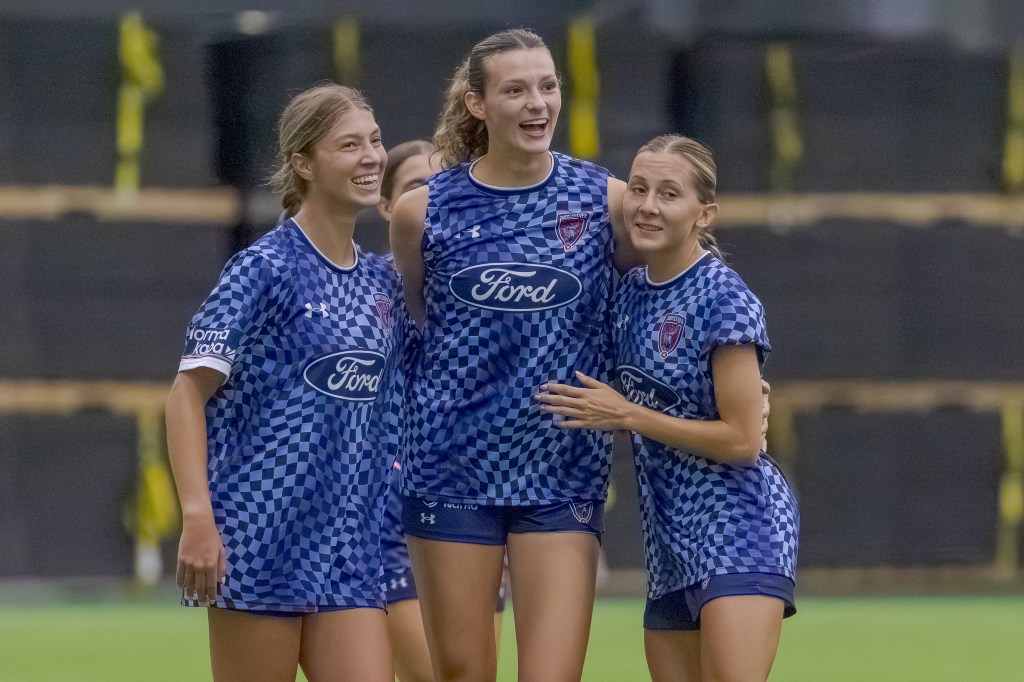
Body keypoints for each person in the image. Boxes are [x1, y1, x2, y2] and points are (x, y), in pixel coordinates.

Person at [389, 28, 639, 682]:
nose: (538, 103)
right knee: (462, 673)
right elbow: (411, 327)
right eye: (516, 89)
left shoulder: (606, 201)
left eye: (548, 86)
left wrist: (730, 382)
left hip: (562, 469)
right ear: (478, 104)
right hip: (450, 469)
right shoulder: (421, 212)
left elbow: (663, 301)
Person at [537, 135, 798, 682]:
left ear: (705, 214)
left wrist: (629, 415)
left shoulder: (724, 298)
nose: (648, 206)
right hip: (668, 540)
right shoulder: (627, 293)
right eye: (638, 189)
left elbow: (743, 442)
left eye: (669, 194)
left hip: (739, 526)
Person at [165, 82, 398, 682]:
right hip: (259, 542)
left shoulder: (381, 283)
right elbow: (186, 394)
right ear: (304, 163)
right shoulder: (262, 270)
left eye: (375, 140)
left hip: (350, 552)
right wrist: (197, 515)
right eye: (349, 145)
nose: (371, 156)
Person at [377, 140, 508, 682]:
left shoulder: (489, 286)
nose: (432, 198)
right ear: (388, 206)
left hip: (471, 506)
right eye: (416, 187)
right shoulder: (365, 288)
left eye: (441, 184)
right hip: (384, 519)